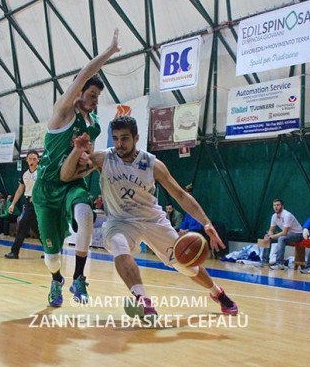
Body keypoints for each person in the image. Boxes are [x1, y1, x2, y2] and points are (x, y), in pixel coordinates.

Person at [60, 116, 238, 317]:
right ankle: (143, 301)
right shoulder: (104, 158)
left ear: (136, 138)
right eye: (116, 138)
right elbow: (66, 176)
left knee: (185, 264)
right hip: (120, 222)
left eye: (125, 138)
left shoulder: (153, 164)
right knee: (119, 246)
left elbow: (180, 194)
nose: (119, 144)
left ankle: (217, 292)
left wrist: (206, 223)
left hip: (153, 220)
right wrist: (76, 151)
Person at [32, 29, 121, 307]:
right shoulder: (63, 111)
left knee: (85, 215)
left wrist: (86, 162)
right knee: (52, 257)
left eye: (97, 96)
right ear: (78, 92)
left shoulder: (92, 124)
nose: (96, 100)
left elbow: (84, 162)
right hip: (46, 190)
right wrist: (109, 52)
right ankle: (56, 279)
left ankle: (79, 278)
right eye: (92, 94)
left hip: (71, 185)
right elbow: (84, 73)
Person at [5, 150, 40, 259]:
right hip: (28, 201)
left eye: (34, 159)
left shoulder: (41, 171)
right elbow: (20, 189)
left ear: (38, 160)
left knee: (23, 225)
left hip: (40, 202)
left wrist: (36, 195)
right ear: (26, 160)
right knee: (37, 229)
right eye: (30, 159)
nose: (32, 161)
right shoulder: (24, 173)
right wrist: (13, 204)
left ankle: (14, 252)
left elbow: (46, 187)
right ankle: (51, 251)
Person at [261, 199, 304, 270]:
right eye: (274, 205)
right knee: (266, 237)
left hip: (298, 235)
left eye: (278, 205)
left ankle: (279, 264)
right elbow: (271, 230)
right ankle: (264, 261)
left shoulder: (287, 215)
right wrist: (268, 235)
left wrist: (271, 237)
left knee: (281, 238)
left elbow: (284, 233)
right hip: (288, 235)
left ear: (282, 206)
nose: (276, 207)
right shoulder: (274, 216)